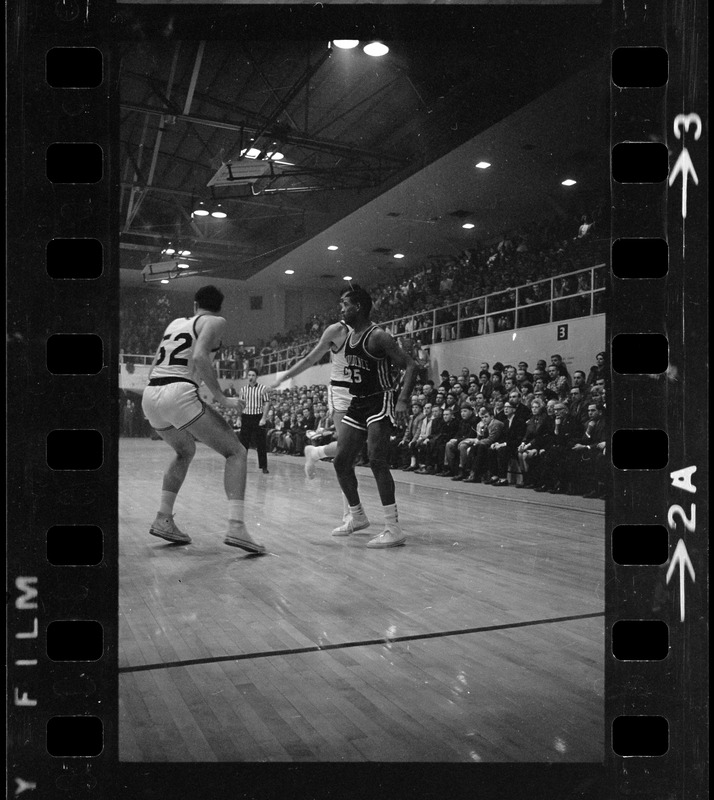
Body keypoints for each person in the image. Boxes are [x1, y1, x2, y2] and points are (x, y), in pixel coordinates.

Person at [140, 285, 265, 554]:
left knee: (185, 450)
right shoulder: (215, 320)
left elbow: (153, 365)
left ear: (195, 304)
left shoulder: (175, 323)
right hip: (178, 391)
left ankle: (163, 518)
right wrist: (220, 396)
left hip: (151, 393)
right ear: (219, 307)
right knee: (236, 452)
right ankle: (236, 526)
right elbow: (198, 355)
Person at [331, 285, 418, 548]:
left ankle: (394, 528)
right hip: (359, 402)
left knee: (377, 460)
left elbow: (412, 365)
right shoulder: (350, 336)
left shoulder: (378, 335)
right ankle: (357, 517)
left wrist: (402, 399)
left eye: (345, 304)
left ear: (358, 307)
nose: (341, 308)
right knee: (341, 462)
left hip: (380, 400)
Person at [238, 369, 270, 474]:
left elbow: (267, 403)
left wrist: (264, 418)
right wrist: (239, 418)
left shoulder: (263, 388)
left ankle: (264, 466)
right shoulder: (243, 389)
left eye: (253, 375)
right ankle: (241, 465)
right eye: (249, 375)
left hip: (258, 416)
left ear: (257, 377)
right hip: (246, 416)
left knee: (261, 443)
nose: (251, 377)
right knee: (243, 443)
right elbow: (240, 405)